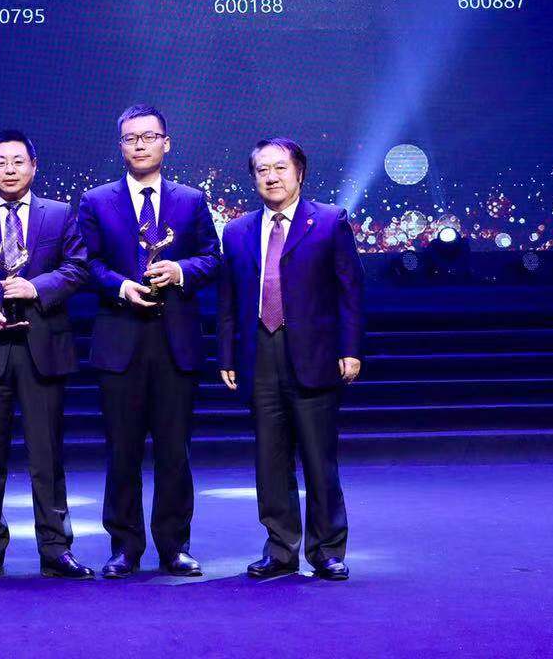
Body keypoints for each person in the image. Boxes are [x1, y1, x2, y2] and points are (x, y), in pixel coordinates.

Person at [78, 104, 220, 580]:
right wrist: (121, 286)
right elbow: (86, 264)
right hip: (120, 339)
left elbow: (212, 258)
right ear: (121, 145)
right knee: (122, 451)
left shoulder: (191, 200)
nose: (140, 145)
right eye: (131, 138)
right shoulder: (96, 200)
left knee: (174, 451)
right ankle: (124, 546)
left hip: (176, 341)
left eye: (149, 136)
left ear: (166, 143)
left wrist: (180, 270)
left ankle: (174, 546)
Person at [0, 130, 93, 582]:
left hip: (42, 347)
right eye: (1, 162)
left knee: (47, 457)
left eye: (17, 161)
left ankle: (56, 548)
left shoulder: (60, 213)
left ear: (33, 166)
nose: (9, 170)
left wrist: (36, 287)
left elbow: (78, 267)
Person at [217, 138, 365, 582]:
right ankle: (280, 549)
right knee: (270, 458)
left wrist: (350, 349)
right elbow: (228, 299)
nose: (271, 177)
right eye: (262, 170)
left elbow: (350, 291)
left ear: (299, 172)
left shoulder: (330, 220)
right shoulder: (237, 230)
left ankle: (327, 550)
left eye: (280, 168)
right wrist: (227, 352)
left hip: (315, 353)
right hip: (258, 352)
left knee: (319, 459)